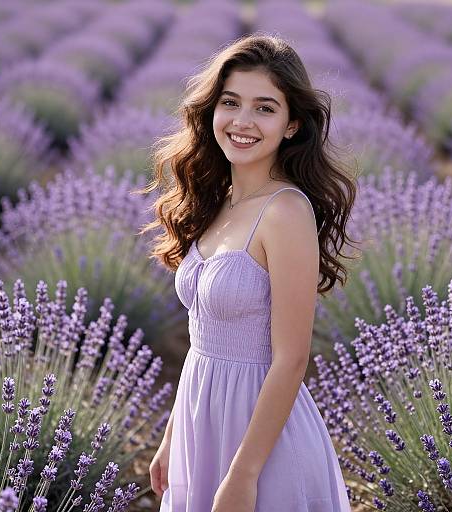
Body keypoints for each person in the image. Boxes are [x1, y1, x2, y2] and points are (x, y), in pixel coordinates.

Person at [140, 33, 357, 512]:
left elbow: (291, 359)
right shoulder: (217, 202)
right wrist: (172, 435)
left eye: (265, 108)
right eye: (231, 102)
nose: (242, 121)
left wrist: (244, 473)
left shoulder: (285, 213)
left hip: (261, 440)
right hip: (202, 421)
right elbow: (203, 338)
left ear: (292, 124)